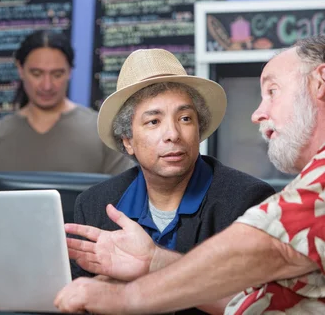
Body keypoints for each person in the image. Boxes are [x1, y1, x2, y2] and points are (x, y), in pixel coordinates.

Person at [55, 36, 325, 314]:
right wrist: (151, 262)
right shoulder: (95, 203)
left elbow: (263, 254)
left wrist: (127, 294)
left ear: (320, 82)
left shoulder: (254, 196)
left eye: (273, 91)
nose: (257, 113)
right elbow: (252, 301)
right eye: (153, 121)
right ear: (128, 140)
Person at [0, 30, 133, 191]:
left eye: (57, 74)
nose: (47, 85)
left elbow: (123, 202)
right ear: (20, 69)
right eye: (37, 73)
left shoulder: (103, 131)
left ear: (69, 71)